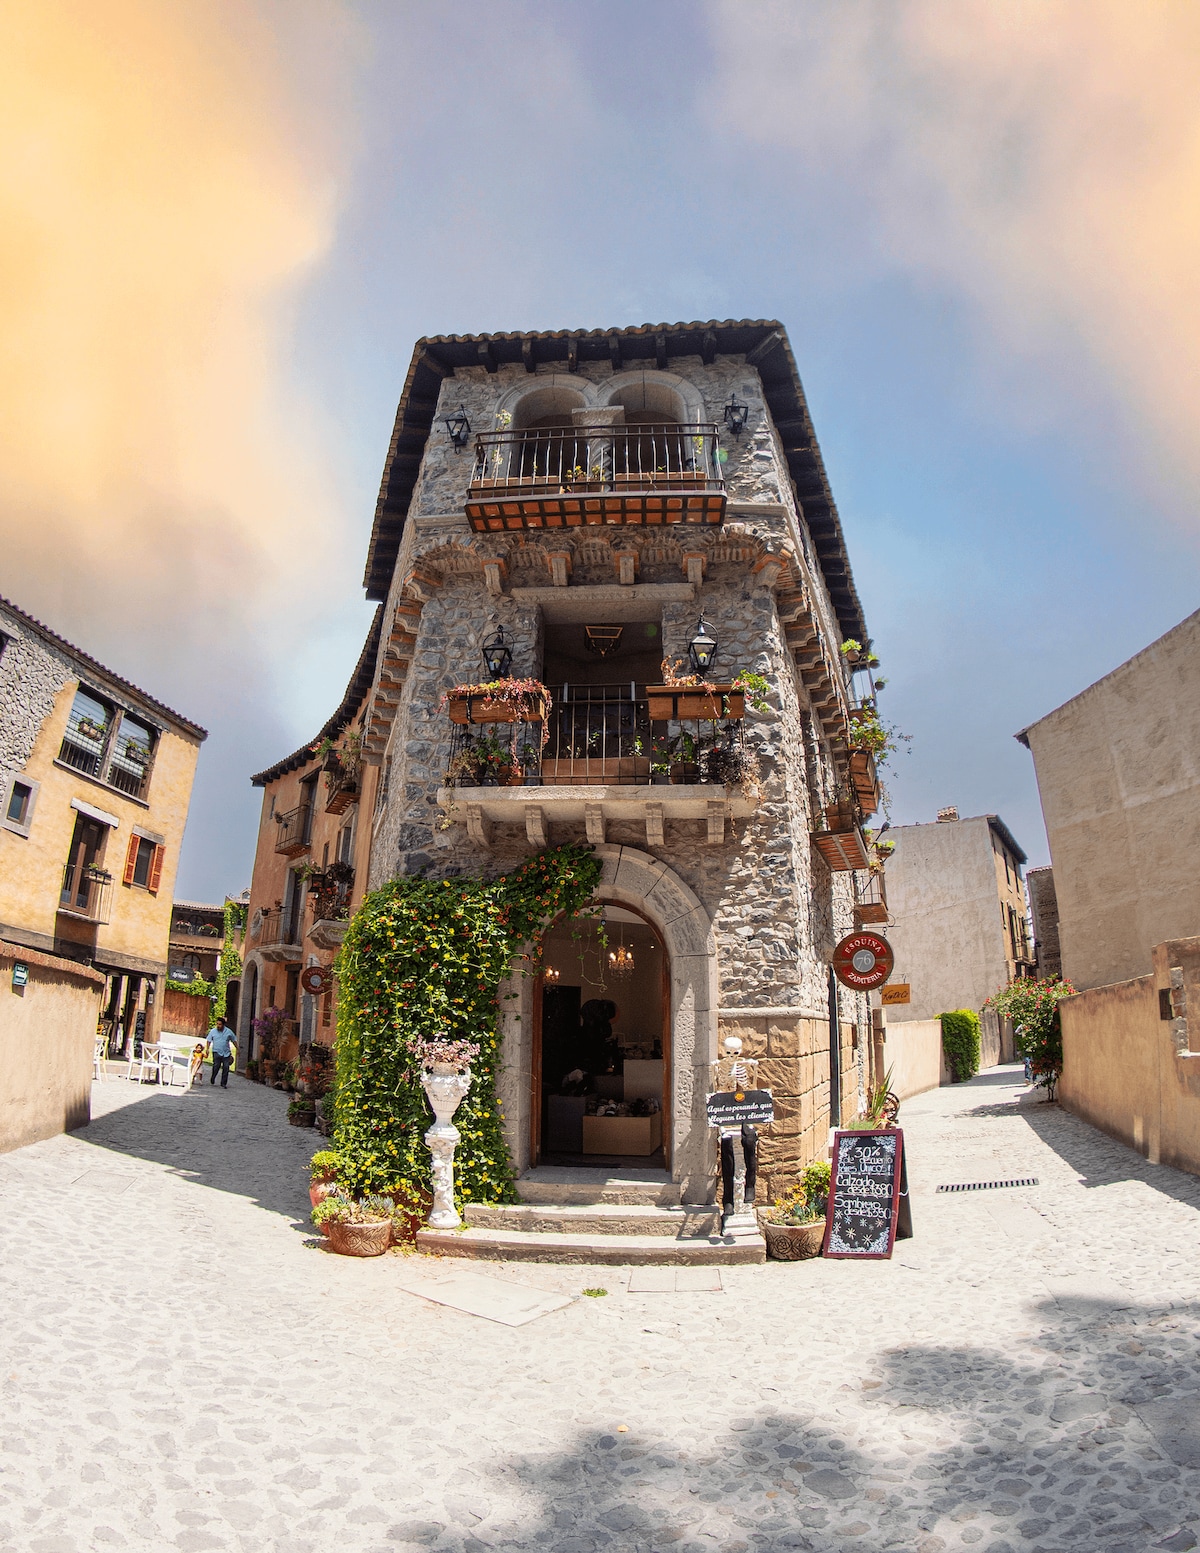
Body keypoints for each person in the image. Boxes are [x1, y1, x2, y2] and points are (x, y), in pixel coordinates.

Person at [206, 1017, 236, 1088]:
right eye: (217, 1024)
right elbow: (209, 1040)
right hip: (216, 1051)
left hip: (226, 1053)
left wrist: (237, 1049)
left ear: (223, 1025)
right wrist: (207, 1049)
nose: (218, 1026)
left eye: (220, 1024)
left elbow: (234, 1040)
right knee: (216, 1066)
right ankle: (213, 1077)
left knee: (226, 1067)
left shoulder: (229, 1032)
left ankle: (223, 1083)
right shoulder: (213, 1031)